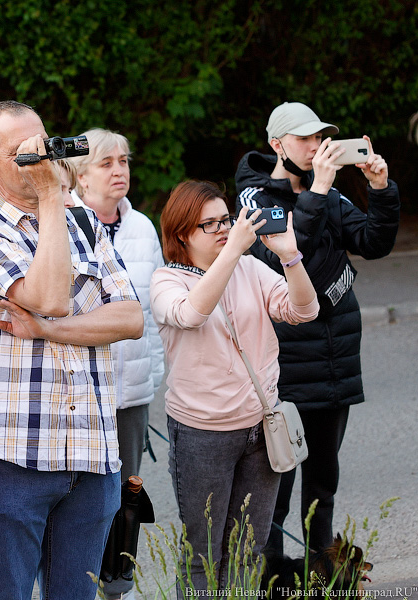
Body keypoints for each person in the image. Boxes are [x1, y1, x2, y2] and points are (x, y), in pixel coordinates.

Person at [0, 100, 144, 600]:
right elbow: (51, 296)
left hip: (92, 450)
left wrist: (44, 330)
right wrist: (53, 195)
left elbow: (130, 319)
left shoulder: (87, 224)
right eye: (22, 151)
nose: (39, 158)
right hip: (16, 452)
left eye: (43, 144)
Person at [234, 102, 400, 558]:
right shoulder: (254, 198)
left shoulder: (327, 193)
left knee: (323, 486)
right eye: (304, 138)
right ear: (277, 144)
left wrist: (380, 189)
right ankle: (271, 580)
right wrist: (320, 190)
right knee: (276, 489)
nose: (315, 146)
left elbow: (373, 242)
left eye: (319, 137)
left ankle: (321, 574)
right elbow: (284, 256)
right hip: (285, 367)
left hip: (335, 362)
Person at [150, 180, 319, 593]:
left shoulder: (250, 268)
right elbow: (192, 314)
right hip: (201, 434)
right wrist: (232, 252)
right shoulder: (166, 280)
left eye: (226, 219)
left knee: (248, 550)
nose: (224, 229)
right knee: (203, 553)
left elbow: (305, 310)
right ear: (181, 234)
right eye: (209, 224)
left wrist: (290, 256)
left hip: (261, 427)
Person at [69, 128, 165, 600]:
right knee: (81, 500)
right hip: (79, 391)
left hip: (131, 393)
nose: (119, 170)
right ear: (80, 175)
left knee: (127, 496)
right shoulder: (61, 224)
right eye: (106, 163)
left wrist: (153, 378)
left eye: (123, 161)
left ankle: (116, 587)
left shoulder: (142, 227)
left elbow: (153, 313)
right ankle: (72, 585)